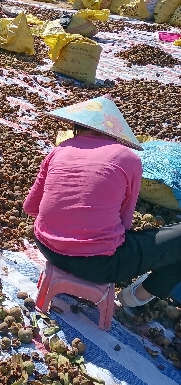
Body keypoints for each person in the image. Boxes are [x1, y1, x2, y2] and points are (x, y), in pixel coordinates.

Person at [23, 96, 181, 308]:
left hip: (47, 247)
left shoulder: (59, 150)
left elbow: (30, 207)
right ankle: (137, 297)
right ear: (116, 132)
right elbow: (125, 223)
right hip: (98, 265)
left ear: (76, 127)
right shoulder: (128, 158)